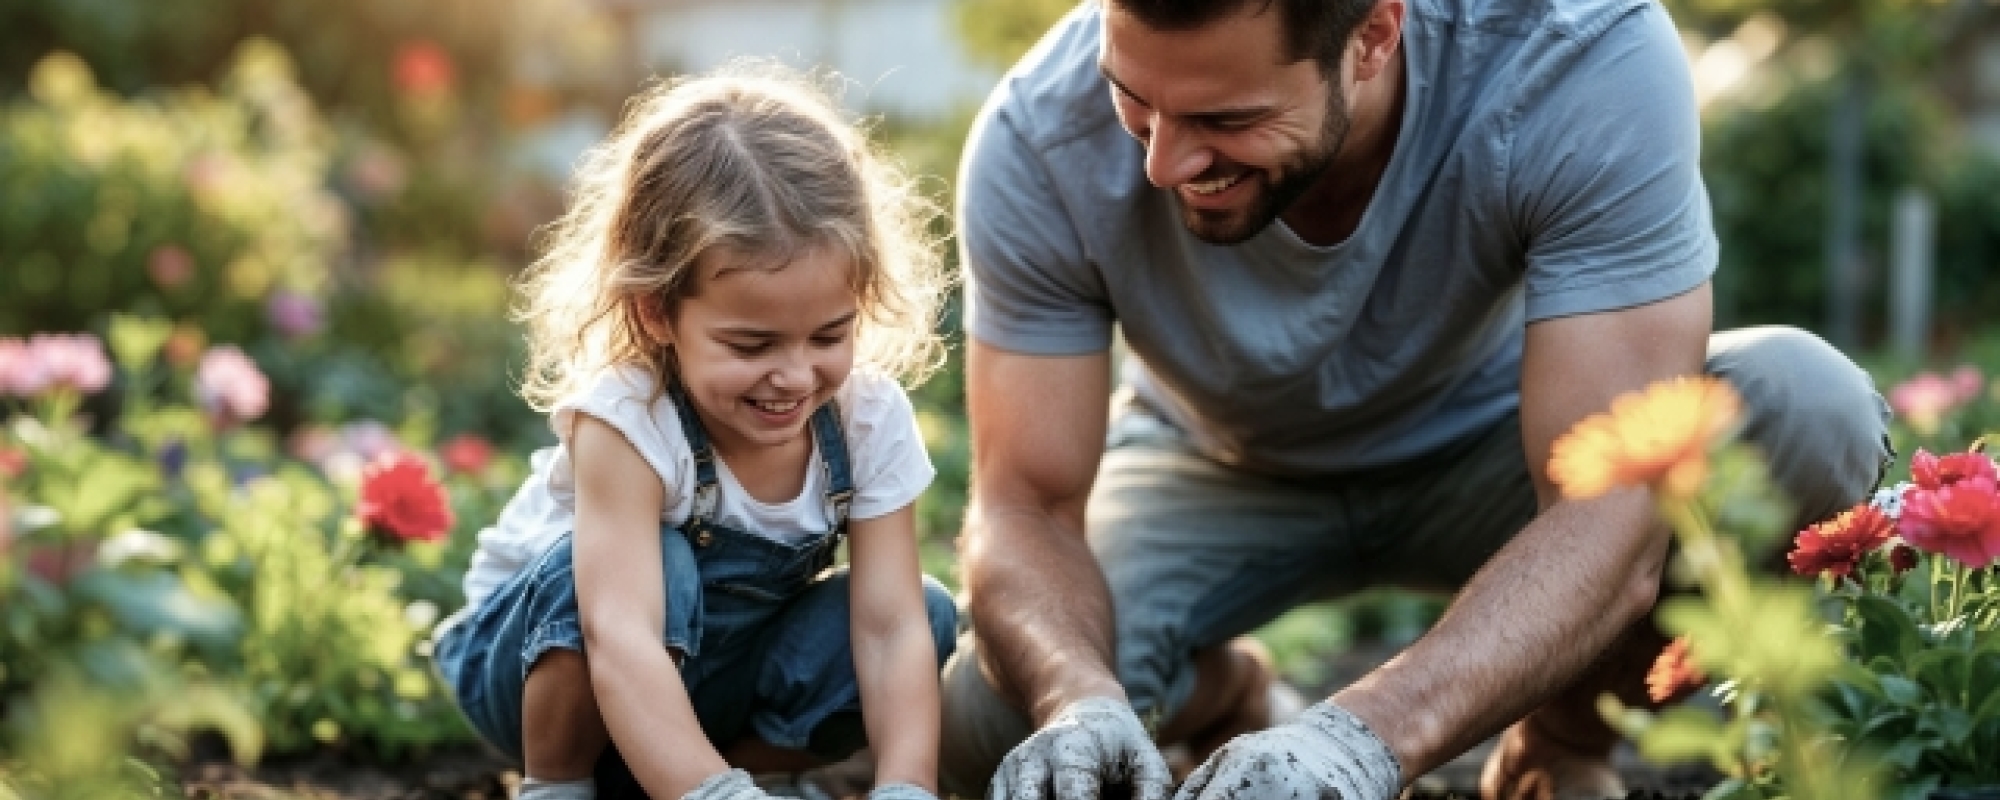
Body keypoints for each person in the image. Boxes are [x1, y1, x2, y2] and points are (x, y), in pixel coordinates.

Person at [938, 0, 1892, 798]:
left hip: (1505, 452)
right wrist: (1076, 699)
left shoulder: (1577, 56)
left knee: (1808, 408)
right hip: (1214, 463)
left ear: (1374, 35)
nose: (1164, 164)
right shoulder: (1039, 135)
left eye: (1226, 119)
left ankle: (1560, 744)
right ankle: (1225, 694)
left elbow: (1610, 503)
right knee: (993, 727)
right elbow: (1023, 503)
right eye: (1133, 99)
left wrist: (1357, 739)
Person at [431, 63, 958, 800]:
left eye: (830, 334)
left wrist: (907, 787)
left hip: (704, 679)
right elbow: (618, 636)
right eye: (752, 346)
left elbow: (889, 627)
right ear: (656, 313)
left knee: (928, 612)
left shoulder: (866, 417)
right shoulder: (628, 419)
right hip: (536, 671)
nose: (797, 376)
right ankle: (562, 786)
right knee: (663, 558)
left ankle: (695, 776)